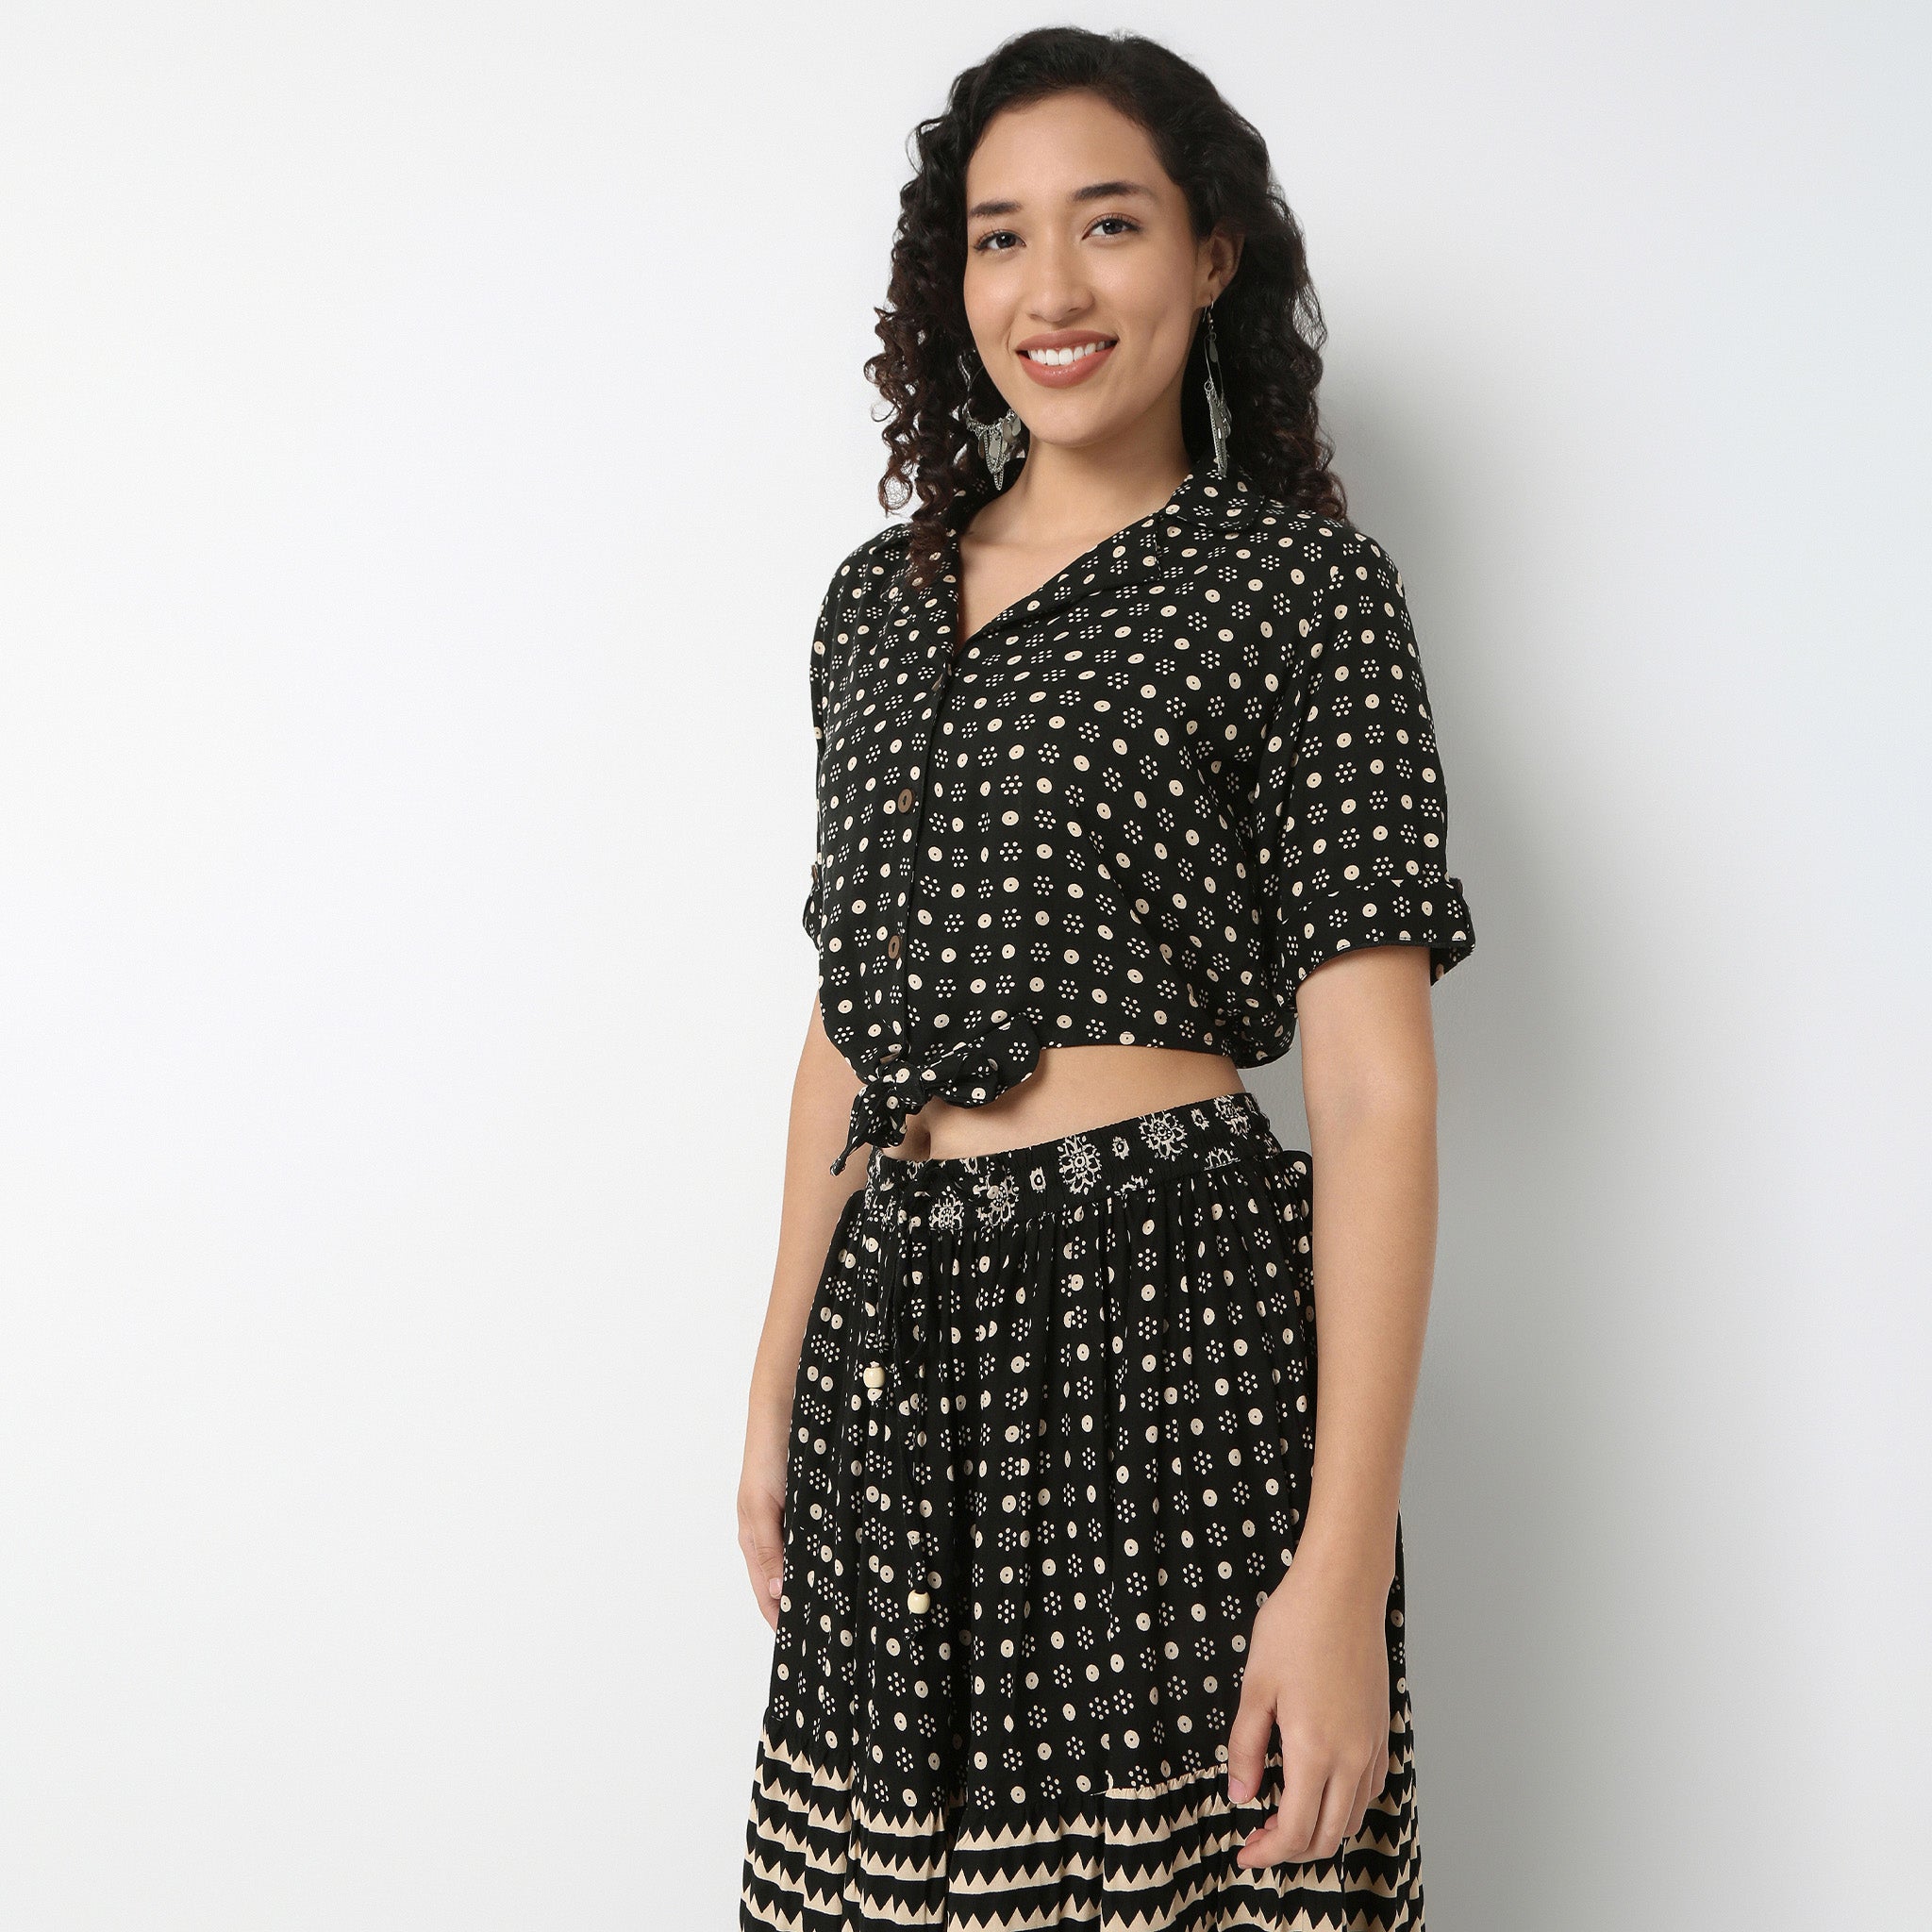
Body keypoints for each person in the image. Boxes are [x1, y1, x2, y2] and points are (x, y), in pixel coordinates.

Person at [736, 26, 1474, 1930]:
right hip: (894, 1366)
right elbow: (846, 1024)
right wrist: (771, 1388)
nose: (1049, 289)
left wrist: (1339, 1568)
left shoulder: (1299, 593)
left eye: (1109, 223)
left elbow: (1373, 1090)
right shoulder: (872, 606)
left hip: (1169, 1341)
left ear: (1212, 255)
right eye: (999, 238)